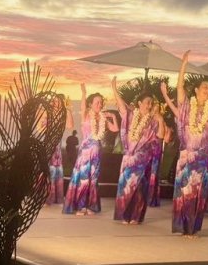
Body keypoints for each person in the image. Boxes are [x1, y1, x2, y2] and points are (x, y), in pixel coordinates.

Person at [164, 52, 208, 238]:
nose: (207, 89)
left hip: (203, 159)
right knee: (183, 192)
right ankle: (182, 227)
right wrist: (183, 64)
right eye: (204, 86)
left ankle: (193, 228)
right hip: (185, 158)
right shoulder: (186, 108)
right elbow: (180, 87)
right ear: (196, 90)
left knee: (198, 194)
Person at [113, 77, 166, 225]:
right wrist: (114, 89)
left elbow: (161, 136)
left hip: (144, 160)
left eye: (151, 103)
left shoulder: (153, 120)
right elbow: (121, 105)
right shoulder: (130, 116)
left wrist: (161, 120)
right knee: (126, 187)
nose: (149, 105)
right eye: (147, 102)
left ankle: (136, 216)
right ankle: (125, 215)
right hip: (129, 158)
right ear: (139, 104)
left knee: (140, 188)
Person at [63, 83, 116, 215]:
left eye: (101, 102)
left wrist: (113, 117)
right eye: (97, 102)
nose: (99, 104)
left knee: (93, 179)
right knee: (83, 179)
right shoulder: (86, 115)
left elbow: (115, 129)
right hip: (85, 153)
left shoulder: (103, 118)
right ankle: (81, 207)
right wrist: (84, 93)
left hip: (97, 153)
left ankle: (91, 206)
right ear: (90, 104)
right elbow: (82, 106)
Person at [46, 93, 73, 205]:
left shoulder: (62, 115)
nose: (56, 103)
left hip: (56, 147)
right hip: (46, 145)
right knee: (47, 170)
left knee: (55, 169)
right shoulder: (47, 113)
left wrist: (68, 109)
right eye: (54, 101)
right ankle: (46, 196)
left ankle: (56, 197)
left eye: (58, 101)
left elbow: (70, 126)